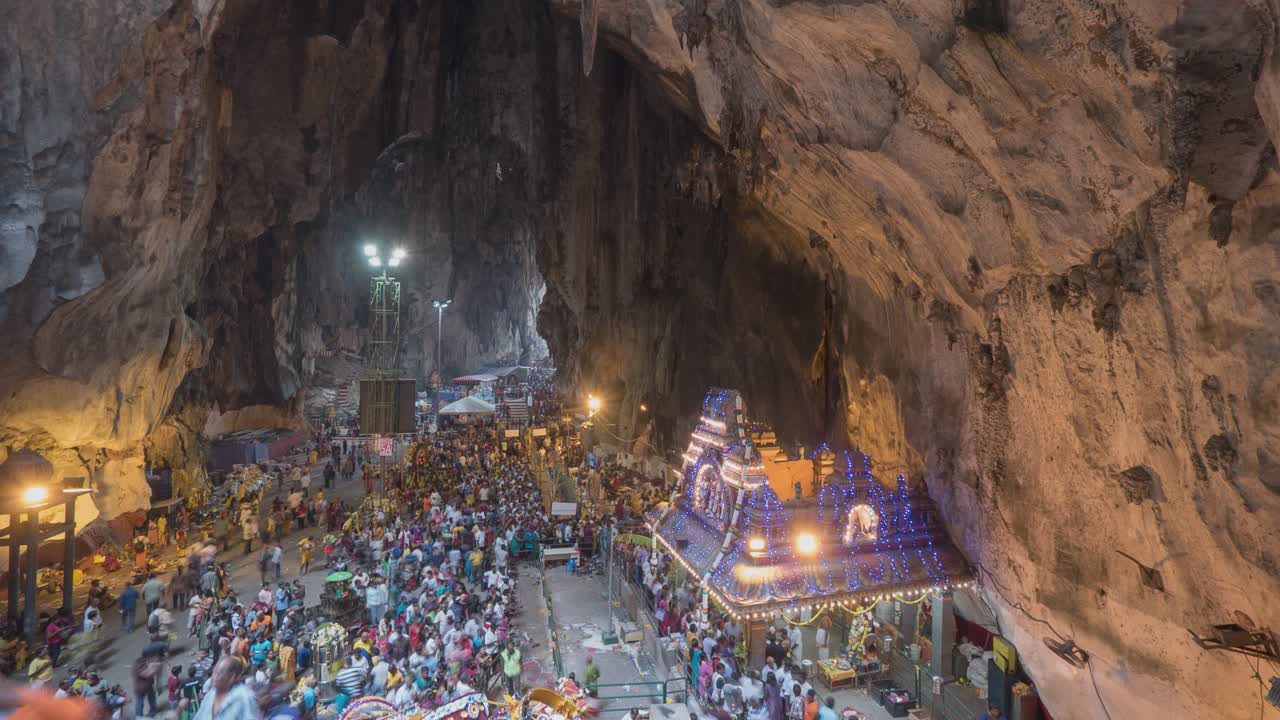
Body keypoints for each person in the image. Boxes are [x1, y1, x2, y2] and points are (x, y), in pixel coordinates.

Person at [192, 656, 260, 720]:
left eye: (219, 673)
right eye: (214, 672)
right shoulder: (211, 693)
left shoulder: (245, 697)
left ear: (233, 677)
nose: (214, 677)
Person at [133, 654, 160, 718]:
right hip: (141, 689)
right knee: (140, 703)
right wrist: (155, 668)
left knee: (152, 698)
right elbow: (147, 674)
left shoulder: (143, 665)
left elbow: (148, 669)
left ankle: (153, 711)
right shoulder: (138, 668)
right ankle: (139, 716)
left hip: (149, 686)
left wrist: (153, 665)